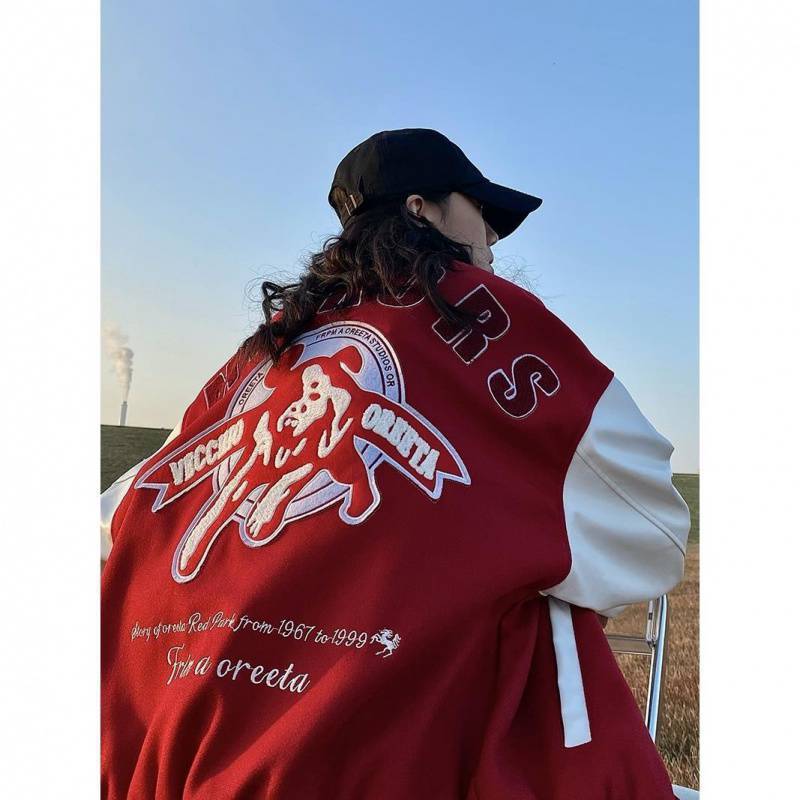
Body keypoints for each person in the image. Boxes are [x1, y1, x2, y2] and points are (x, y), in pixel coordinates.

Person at [101, 128, 691, 799]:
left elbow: (116, 520)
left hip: (161, 764)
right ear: (421, 209)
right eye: (481, 211)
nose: (492, 238)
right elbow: (655, 531)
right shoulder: (490, 318)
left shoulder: (260, 355)